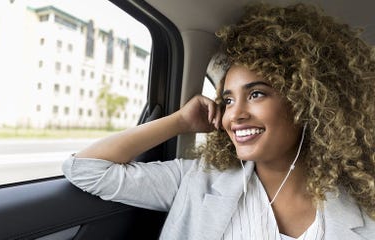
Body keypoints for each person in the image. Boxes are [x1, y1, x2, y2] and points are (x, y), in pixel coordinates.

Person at [63, 3, 375, 240]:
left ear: (307, 102)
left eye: (256, 95)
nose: (235, 114)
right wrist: (180, 122)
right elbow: (86, 169)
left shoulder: (363, 205)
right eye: (227, 100)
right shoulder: (197, 181)